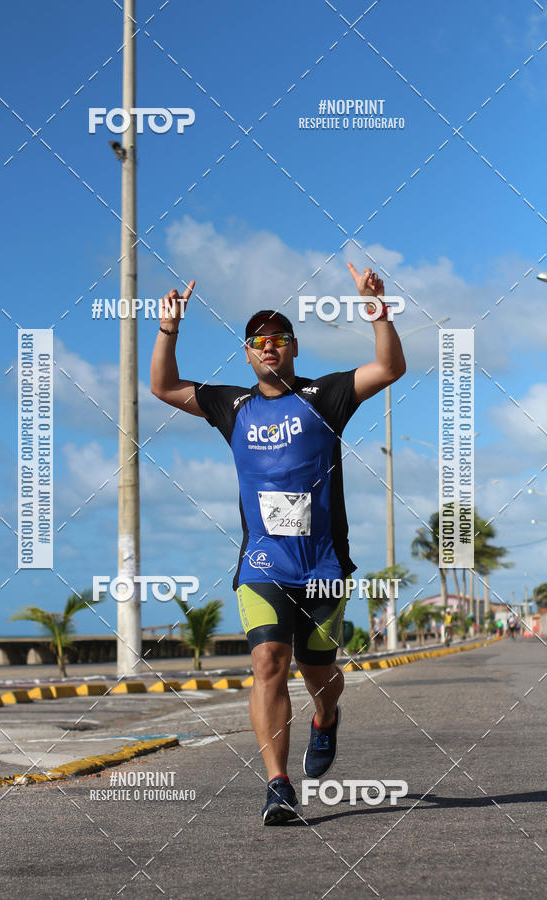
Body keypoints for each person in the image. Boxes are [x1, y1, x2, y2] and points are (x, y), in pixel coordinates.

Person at [150, 263, 406, 824]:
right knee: (268, 661)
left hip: (322, 563)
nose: (270, 348)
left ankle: (326, 716)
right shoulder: (232, 406)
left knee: (319, 671)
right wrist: (168, 328)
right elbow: (163, 387)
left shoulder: (326, 395)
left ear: (293, 348)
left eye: (280, 340)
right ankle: (278, 784)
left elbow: (390, 366)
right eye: (258, 342)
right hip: (263, 562)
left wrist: (374, 307)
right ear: (247, 354)